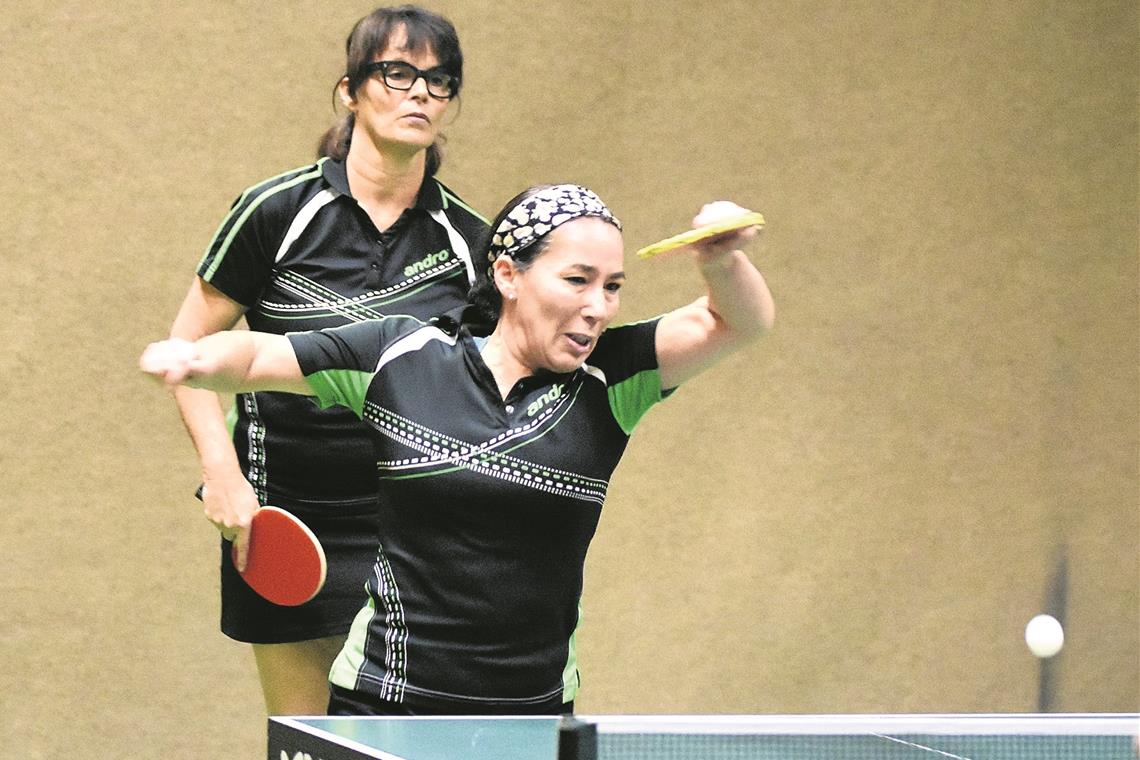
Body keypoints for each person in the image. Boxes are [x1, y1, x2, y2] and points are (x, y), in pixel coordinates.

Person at [142, 184, 775, 715]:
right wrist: (196, 357)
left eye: (612, 287)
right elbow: (258, 353)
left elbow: (736, 322)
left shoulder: (613, 378)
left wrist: (722, 261)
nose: (597, 308)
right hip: (387, 699)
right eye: (577, 280)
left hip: (532, 709)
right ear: (508, 275)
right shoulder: (402, 356)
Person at [164, 5, 487, 715]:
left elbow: (483, 392)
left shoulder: (468, 240)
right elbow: (186, 355)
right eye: (398, 73)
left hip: (409, 530)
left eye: (440, 81)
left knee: (409, 742)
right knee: (307, 742)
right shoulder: (276, 212)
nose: (420, 95)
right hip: (285, 520)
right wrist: (222, 476)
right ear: (350, 90)